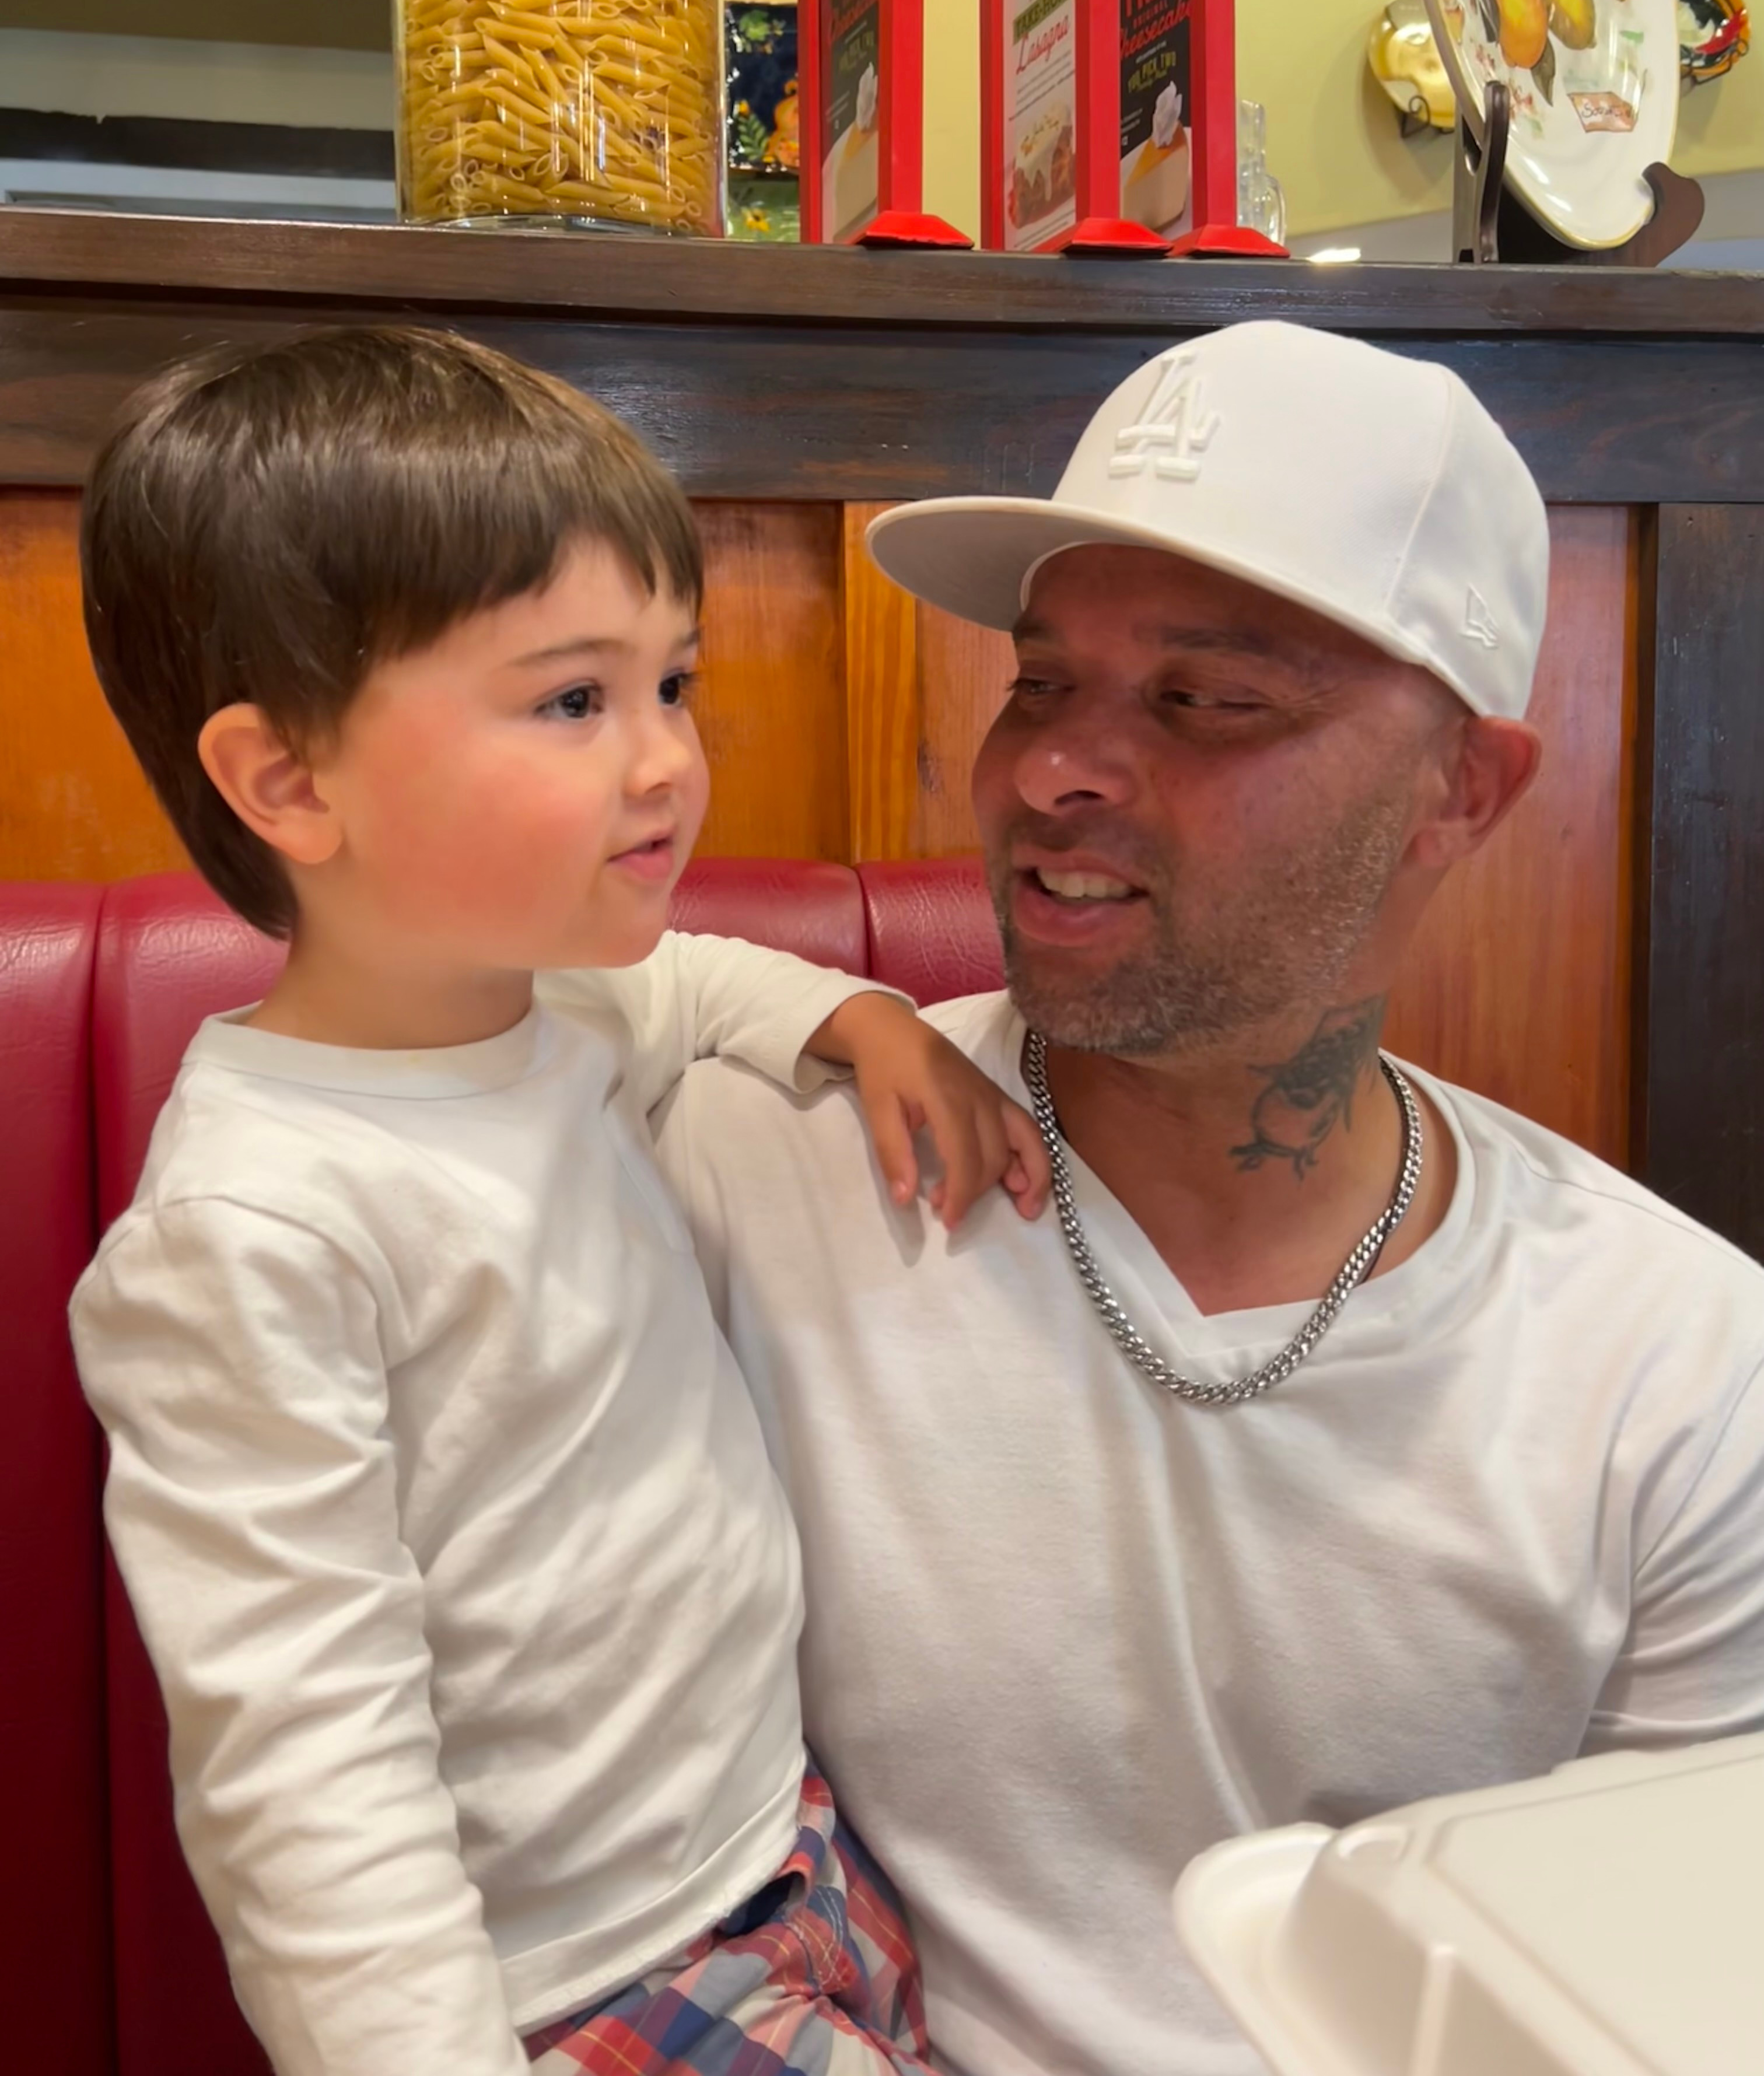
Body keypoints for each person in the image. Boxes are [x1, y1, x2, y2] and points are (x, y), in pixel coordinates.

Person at [655, 321, 1764, 2076]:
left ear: (1462, 791)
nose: (1052, 774)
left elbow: (1662, 1991)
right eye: (1040, 685)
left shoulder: (1681, 1370)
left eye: (1208, 702)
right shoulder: (741, 1174)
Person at [70, 327, 1048, 2076]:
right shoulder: (255, 1230)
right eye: (574, 701)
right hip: (591, 1975)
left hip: (785, 1843)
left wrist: (861, 1018)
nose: (667, 759)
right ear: (290, 781)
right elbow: (300, 1767)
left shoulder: (561, 1008)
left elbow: (694, 982)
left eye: (673, 683)